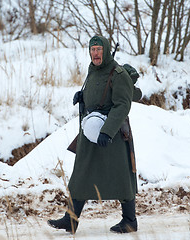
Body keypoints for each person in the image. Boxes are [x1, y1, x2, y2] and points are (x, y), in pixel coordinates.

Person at [47, 35, 138, 234]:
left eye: (99, 49)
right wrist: (83, 97)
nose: (95, 53)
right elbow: (98, 93)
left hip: (111, 136)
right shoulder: (93, 71)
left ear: (105, 51)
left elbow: (123, 105)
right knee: (81, 173)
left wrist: (107, 131)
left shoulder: (118, 74)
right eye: (92, 49)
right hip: (90, 133)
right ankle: (70, 220)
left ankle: (130, 221)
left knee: (121, 175)